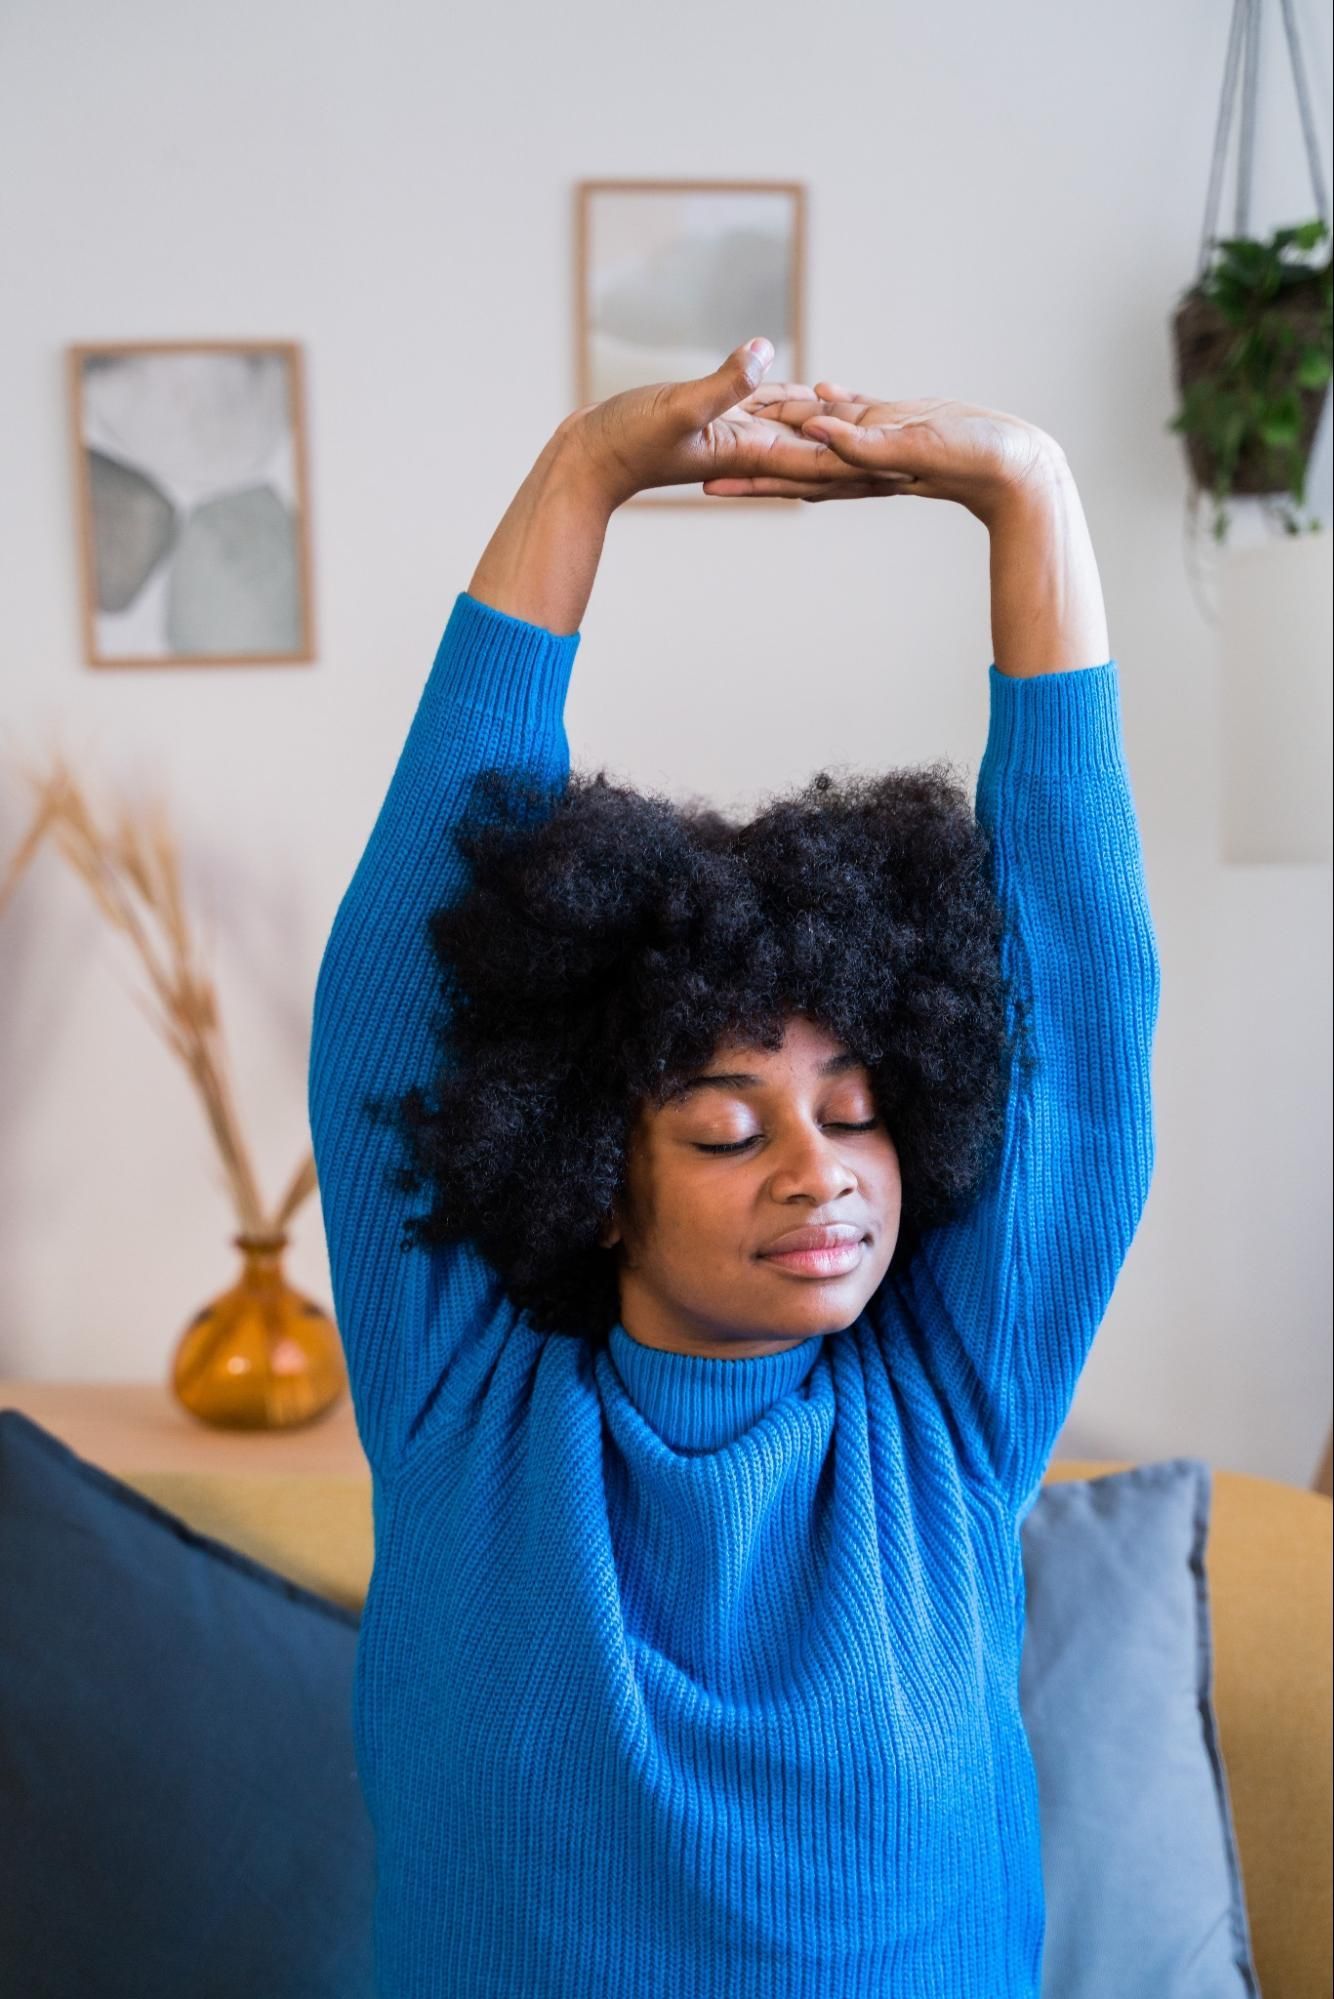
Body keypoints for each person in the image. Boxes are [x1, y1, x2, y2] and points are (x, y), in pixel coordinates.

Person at [307, 339, 1160, 1997]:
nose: (817, 1172)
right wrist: (581, 477)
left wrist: (1029, 500)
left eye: (853, 1111)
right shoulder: (463, 1403)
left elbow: (1082, 1008)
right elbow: (397, 991)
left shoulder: (951, 1412)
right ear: (591, 1168)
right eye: (722, 1124)